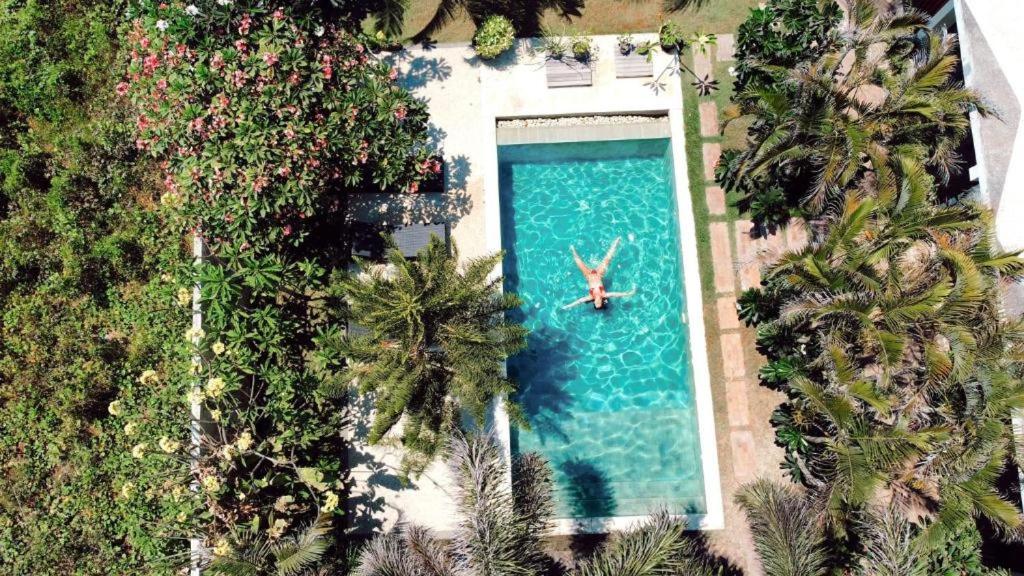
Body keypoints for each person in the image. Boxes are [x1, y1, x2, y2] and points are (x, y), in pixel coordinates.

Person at [562, 237, 636, 310]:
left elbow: (579, 301)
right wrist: (628, 293)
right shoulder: (603, 294)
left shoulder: (591, 297)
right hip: (599, 273)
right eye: (599, 304)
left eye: (595, 304)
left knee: (579, 262)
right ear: (601, 301)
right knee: (608, 258)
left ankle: (572, 249)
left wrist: (567, 306)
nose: (597, 302)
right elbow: (615, 294)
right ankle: (616, 242)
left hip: (588, 275)